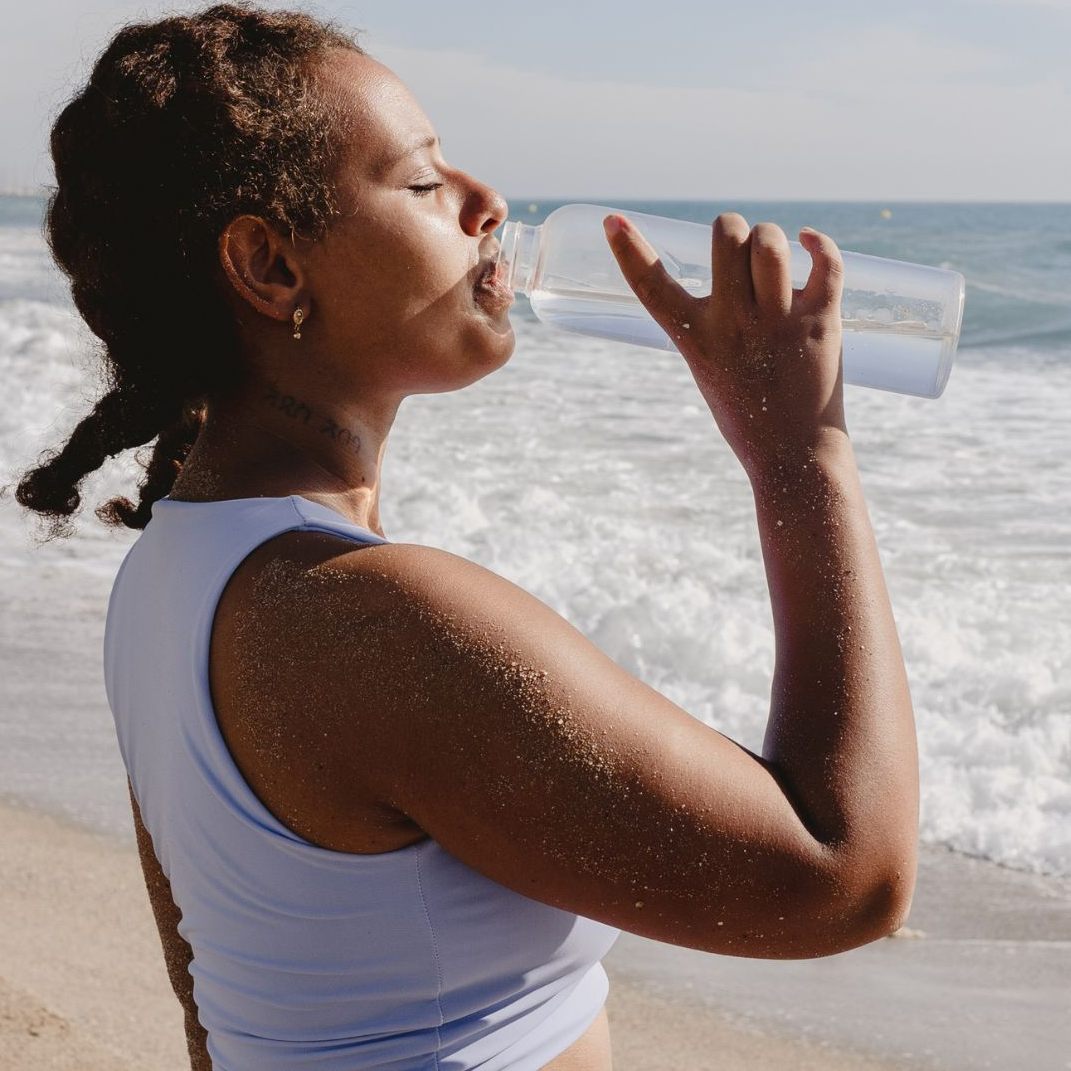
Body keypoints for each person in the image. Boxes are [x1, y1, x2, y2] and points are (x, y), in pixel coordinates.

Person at [12, 3, 919, 1069]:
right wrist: (799, 450)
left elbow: (209, 1009)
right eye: (424, 183)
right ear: (269, 266)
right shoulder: (369, 620)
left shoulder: (166, 576)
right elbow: (846, 877)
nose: (488, 204)